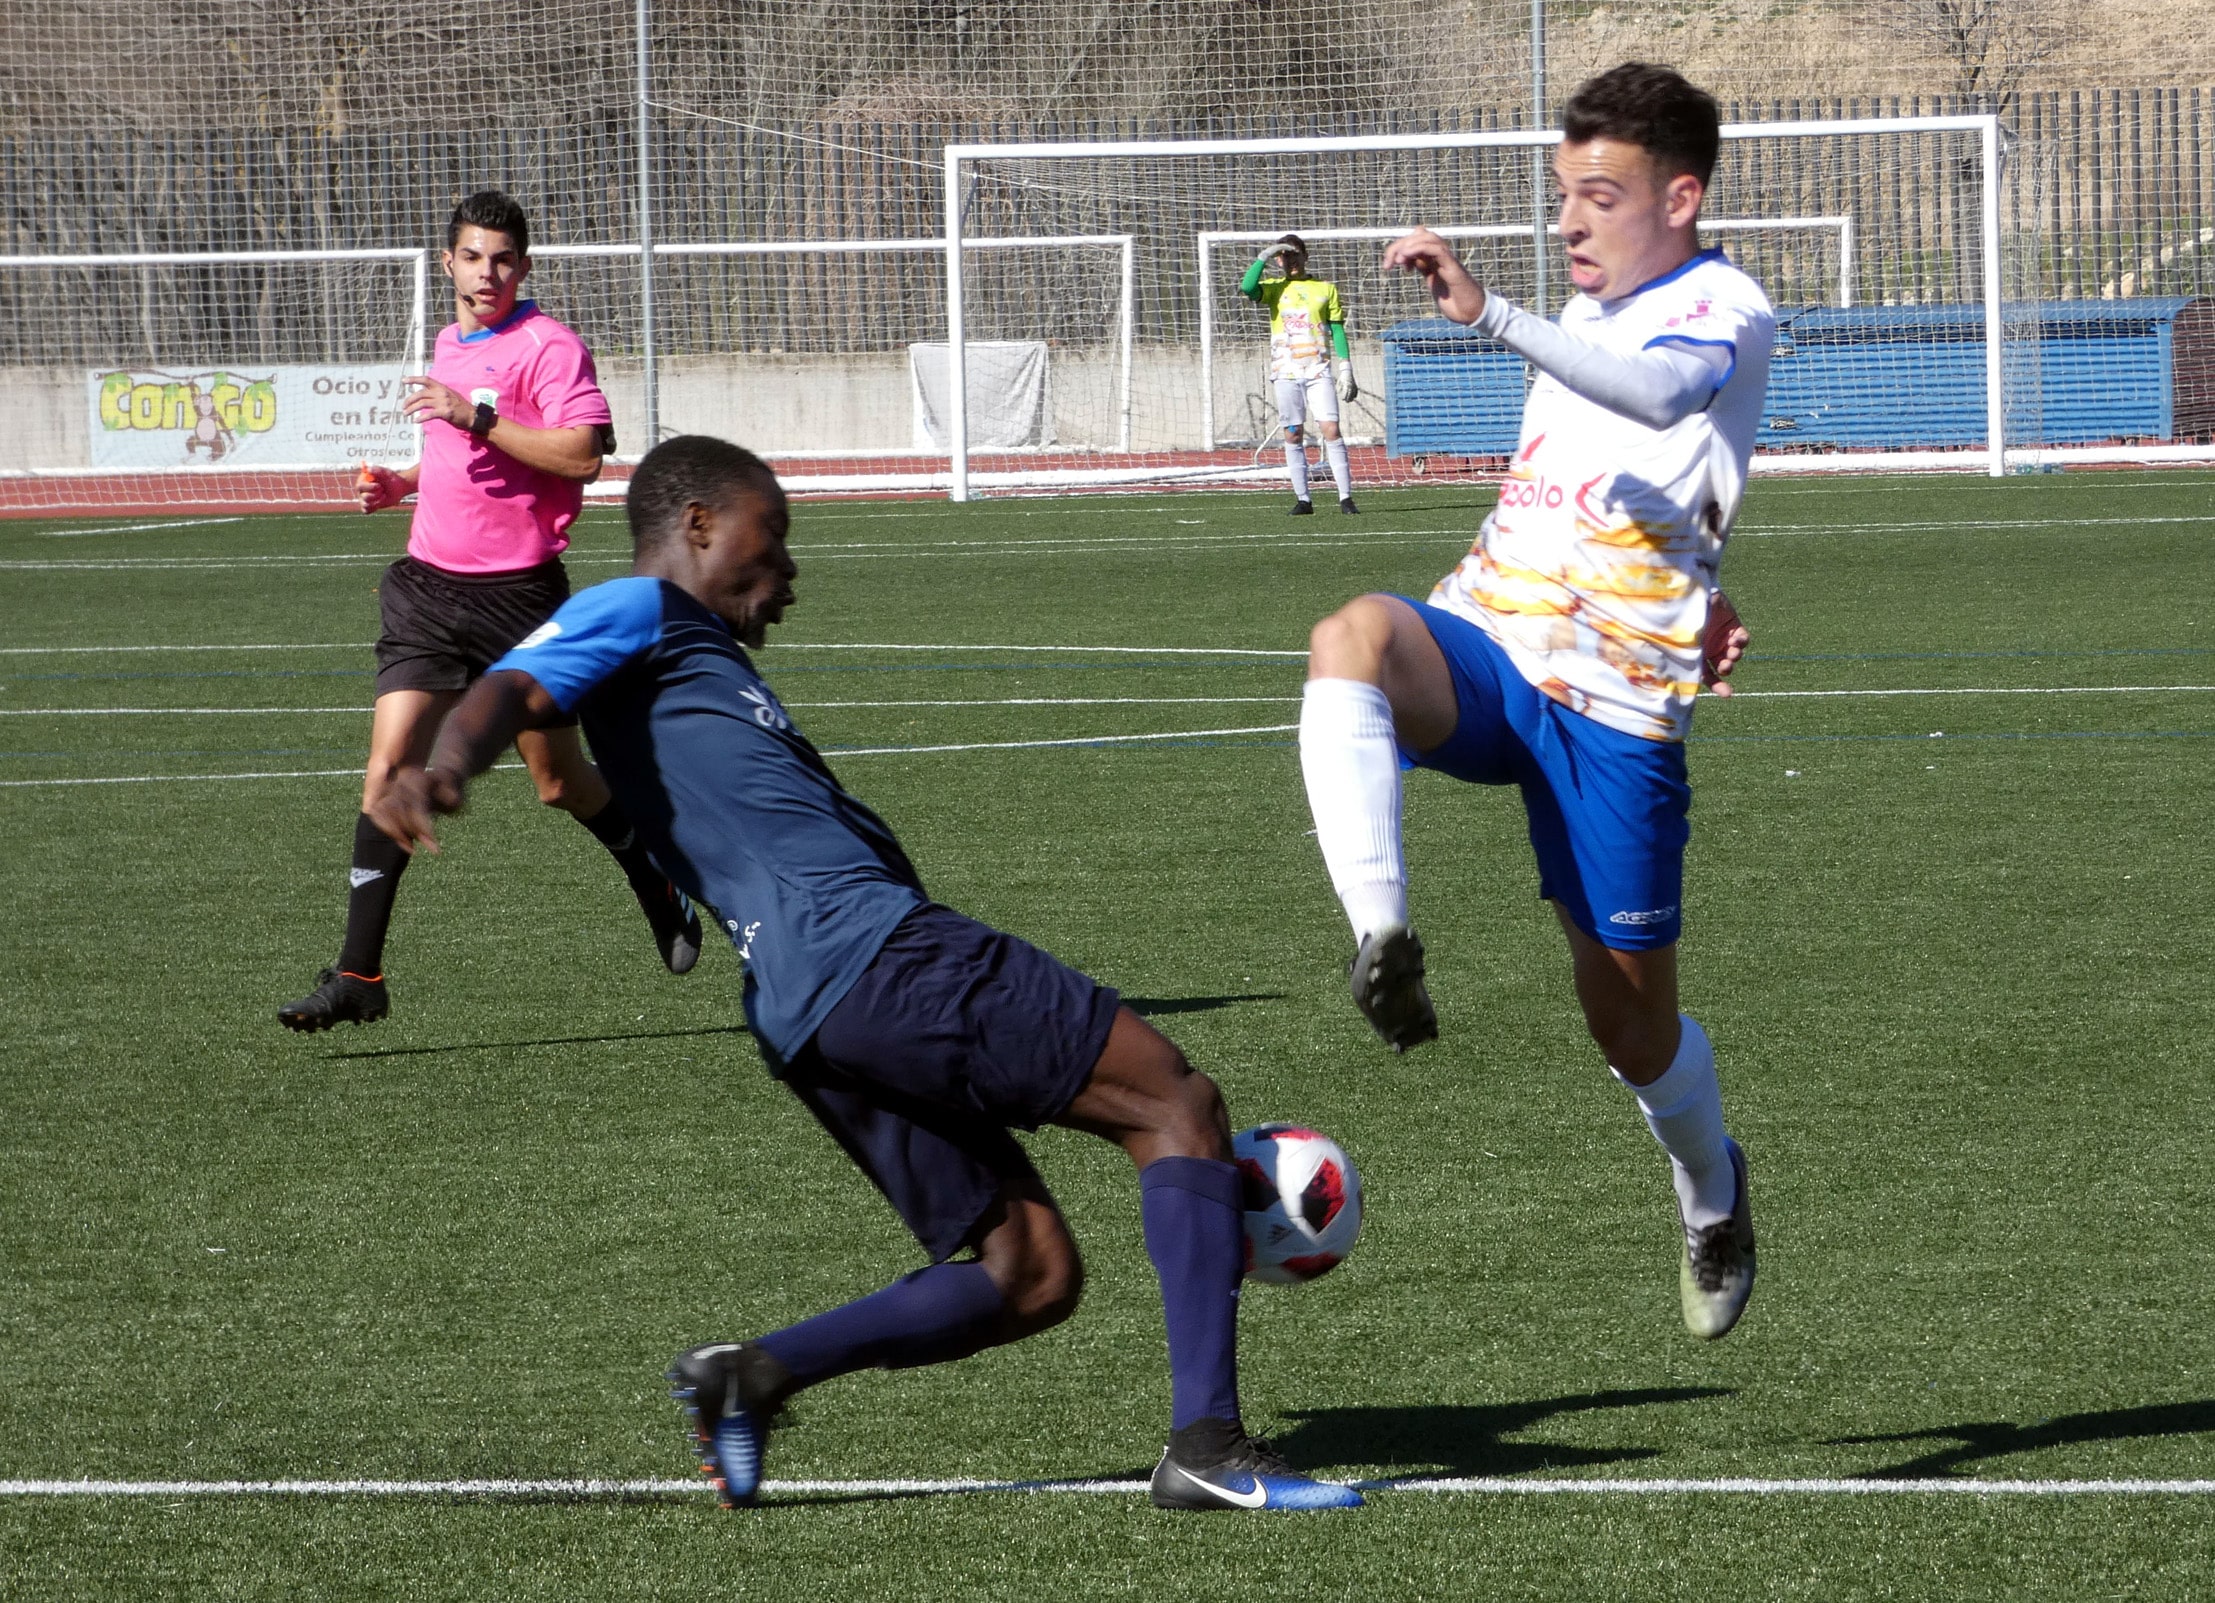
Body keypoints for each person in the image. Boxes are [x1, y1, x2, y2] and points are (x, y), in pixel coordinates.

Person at [365, 434, 1363, 1513]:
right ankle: (1208, 1447)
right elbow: (510, 685)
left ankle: (752, 1375)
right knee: (1175, 1101)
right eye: (772, 536)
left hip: (807, 1013)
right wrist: (445, 765)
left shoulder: (694, 665)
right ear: (696, 524)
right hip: (877, 955)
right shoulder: (643, 610)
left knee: (1026, 1274)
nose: (786, 570)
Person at [1297, 64, 1769, 1340]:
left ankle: (1710, 1183)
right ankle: (1380, 936)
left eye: (1598, 197)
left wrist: (1490, 308)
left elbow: (1668, 404)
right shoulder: (1576, 314)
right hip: (1490, 654)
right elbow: (1607, 495)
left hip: (1617, 717)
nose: (1569, 222)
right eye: (1561, 195)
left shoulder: (1725, 304)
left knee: (1626, 1022)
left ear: (1681, 196)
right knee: (1349, 633)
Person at [279, 189, 699, 1033]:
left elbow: (581, 457)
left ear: (525, 267)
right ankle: (360, 971)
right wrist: (401, 483)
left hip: (520, 603)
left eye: (503, 259)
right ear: (449, 264)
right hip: (428, 592)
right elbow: (462, 462)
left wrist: (472, 412)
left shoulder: (549, 347)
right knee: (387, 771)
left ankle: (654, 878)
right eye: (472, 257)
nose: (487, 273)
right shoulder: (448, 340)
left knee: (558, 784)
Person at [1239, 234, 1359, 515]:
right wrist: (1263, 257)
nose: (1291, 260)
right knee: (1293, 433)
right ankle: (1304, 499)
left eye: (1296, 254)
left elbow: (1337, 328)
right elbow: (1247, 287)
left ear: (1306, 257)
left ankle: (1346, 498)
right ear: (1279, 260)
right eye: (1285, 256)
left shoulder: (1325, 289)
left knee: (1331, 429)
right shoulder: (1273, 289)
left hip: (1318, 370)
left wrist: (1346, 366)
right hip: (1286, 371)